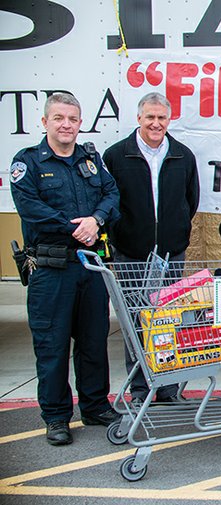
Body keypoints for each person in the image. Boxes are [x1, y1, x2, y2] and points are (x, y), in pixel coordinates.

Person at [10, 92, 121, 445]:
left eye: (72, 119)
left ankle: (94, 406)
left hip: (90, 267)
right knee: (52, 345)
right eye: (59, 118)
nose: (66, 125)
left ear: (79, 122)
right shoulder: (27, 162)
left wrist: (97, 219)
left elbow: (111, 194)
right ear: (45, 122)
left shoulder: (90, 159)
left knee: (92, 341)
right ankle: (57, 417)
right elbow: (30, 208)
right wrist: (77, 227)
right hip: (51, 269)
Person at [102, 92, 200, 404]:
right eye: (150, 117)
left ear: (169, 120)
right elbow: (108, 201)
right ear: (139, 119)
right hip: (131, 255)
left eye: (161, 118)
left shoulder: (182, 156)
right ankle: (141, 389)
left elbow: (190, 201)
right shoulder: (116, 156)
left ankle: (169, 388)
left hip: (171, 255)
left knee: (167, 321)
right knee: (136, 323)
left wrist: (174, 232)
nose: (156, 123)